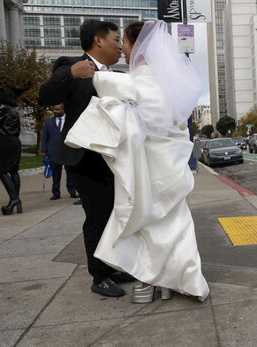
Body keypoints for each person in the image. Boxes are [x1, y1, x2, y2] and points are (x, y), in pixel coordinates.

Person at [64, 20, 209, 303]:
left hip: (148, 166)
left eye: (126, 44)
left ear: (139, 45)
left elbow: (111, 92)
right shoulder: (169, 84)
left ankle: (149, 280)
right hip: (171, 163)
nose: (123, 49)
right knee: (174, 222)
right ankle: (178, 279)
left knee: (145, 222)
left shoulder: (132, 82)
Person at [39, 20, 134, 298]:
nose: (119, 46)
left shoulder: (117, 74)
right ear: (98, 40)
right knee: (97, 215)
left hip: (113, 158)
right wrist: (70, 73)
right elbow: (47, 95)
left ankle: (112, 265)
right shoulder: (70, 64)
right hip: (84, 158)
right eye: (116, 39)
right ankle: (99, 276)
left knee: (116, 214)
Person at [0, 87, 22, 215]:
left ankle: (14, 199)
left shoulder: (2, 109)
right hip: (15, 141)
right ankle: (16, 201)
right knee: (13, 171)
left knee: (1, 171)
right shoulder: (14, 110)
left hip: (5, 142)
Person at [40, 104, 79, 201]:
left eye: (58, 109)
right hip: (54, 152)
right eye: (54, 109)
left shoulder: (70, 120)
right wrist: (43, 150)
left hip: (68, 151)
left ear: (63, 109)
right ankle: (56, 193)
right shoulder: (48, 122)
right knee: (56, 174)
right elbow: (44, 137)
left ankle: (72, 191)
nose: (55, 111)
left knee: (70, 173)